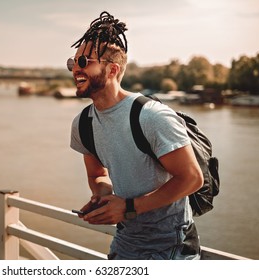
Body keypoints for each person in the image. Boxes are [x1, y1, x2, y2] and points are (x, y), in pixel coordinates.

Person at [69, 11, 204, 260]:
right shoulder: (83, 124)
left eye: (84, 61)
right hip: (125, 243)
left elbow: (192, 179)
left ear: (112, 70)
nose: (75, 68)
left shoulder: (152, 117)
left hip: (171, 247)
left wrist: (129, 208)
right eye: (73, 62)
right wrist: (103, 199)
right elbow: (97, 175)